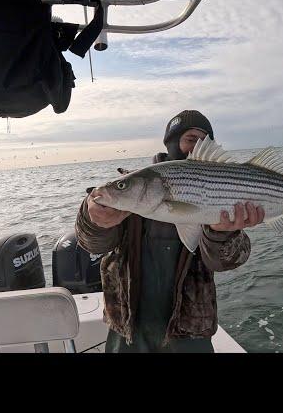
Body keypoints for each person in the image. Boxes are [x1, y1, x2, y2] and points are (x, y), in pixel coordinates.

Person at [75, 110, 264, 352]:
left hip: (190, 330)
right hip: (129, 326)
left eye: (204, 141)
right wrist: (94, 219)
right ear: (172, 143)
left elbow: (227, 261)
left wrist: (221, 234)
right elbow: (92, 243)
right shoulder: (129, 191)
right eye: (191, 139)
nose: (195, 148)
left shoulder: (218, 196)